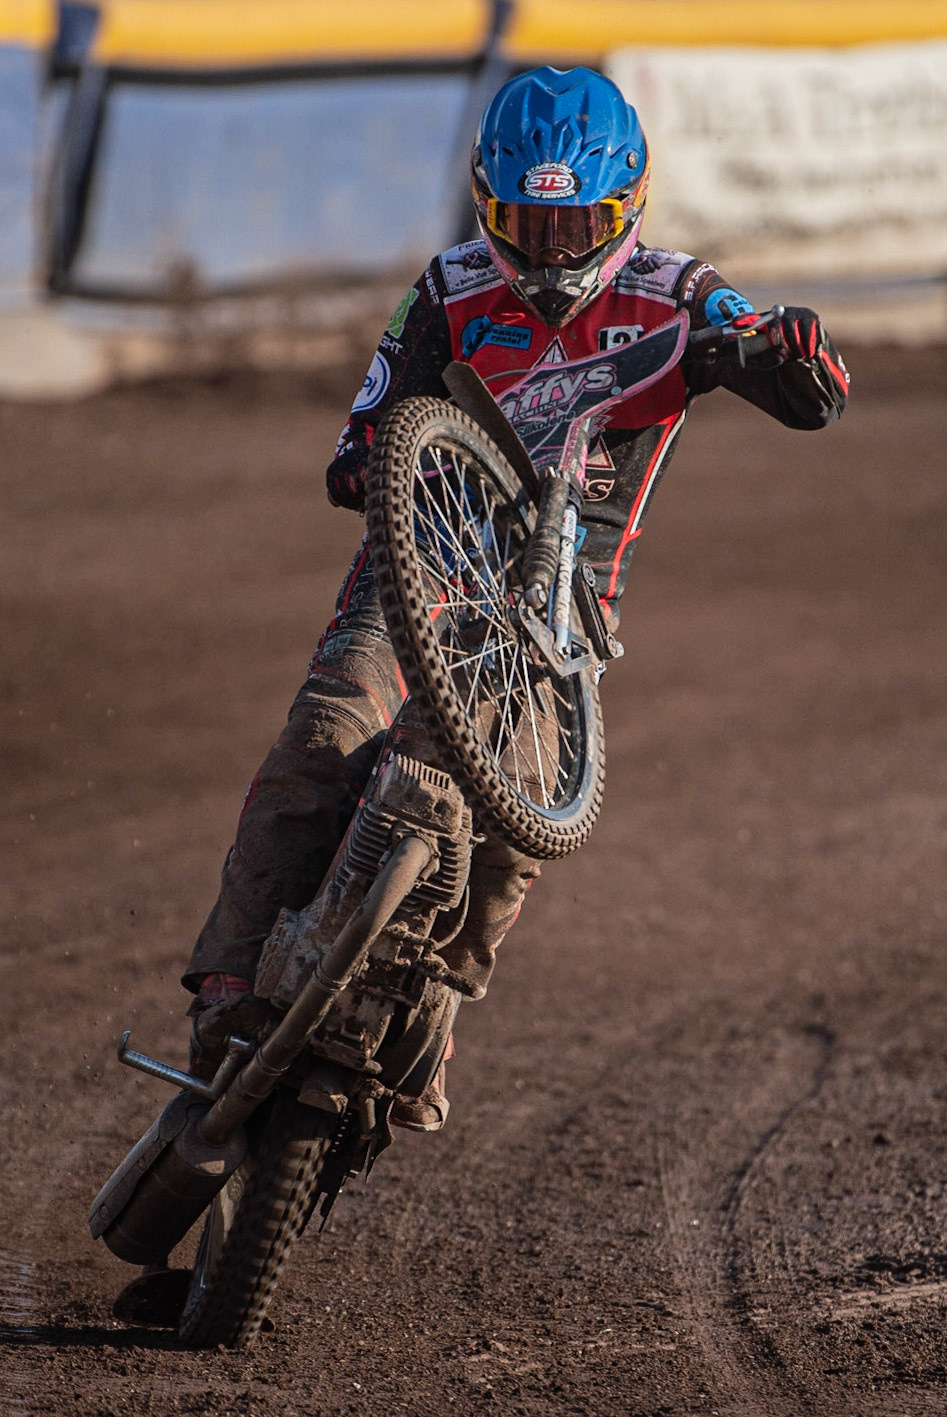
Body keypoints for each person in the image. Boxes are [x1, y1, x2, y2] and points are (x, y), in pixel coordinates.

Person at [183, 66, 849, 1128]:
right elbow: (359, 443)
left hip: (559, 613)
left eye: (575, 227)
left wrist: (789, 351)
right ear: (486, 208)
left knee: (520, 823)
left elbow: (799, 388)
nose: (549, 253)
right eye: (526, 228)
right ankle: (225, 986)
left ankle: (437, 1003)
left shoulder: (677, 294)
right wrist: (371, 458)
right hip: (417, 573)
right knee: (322, 736)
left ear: (627, 208)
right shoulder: (446, 290)